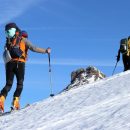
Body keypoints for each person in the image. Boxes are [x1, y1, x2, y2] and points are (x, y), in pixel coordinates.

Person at [0, 23, 51, 112]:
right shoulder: (23, 40)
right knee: (20, 84)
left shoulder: (9, 41)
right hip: (20, 63)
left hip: (9, 64)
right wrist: (46, 51)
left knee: (8, 84)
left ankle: (1, 100)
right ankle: (15, 104)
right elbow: (34, 48)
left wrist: (7, 67)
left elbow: (6, 55)